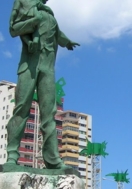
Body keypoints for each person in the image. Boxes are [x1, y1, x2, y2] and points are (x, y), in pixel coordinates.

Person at [6, 0, 79, 169]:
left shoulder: (49, 16)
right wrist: (34, 21)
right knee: (22, 108)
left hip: (47, 68)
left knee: (49, 113)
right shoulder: (23, 3)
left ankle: (53, 160)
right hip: (29, 66)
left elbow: (57, 33)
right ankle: (12, 154)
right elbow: (13, 28)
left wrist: (66, 42)